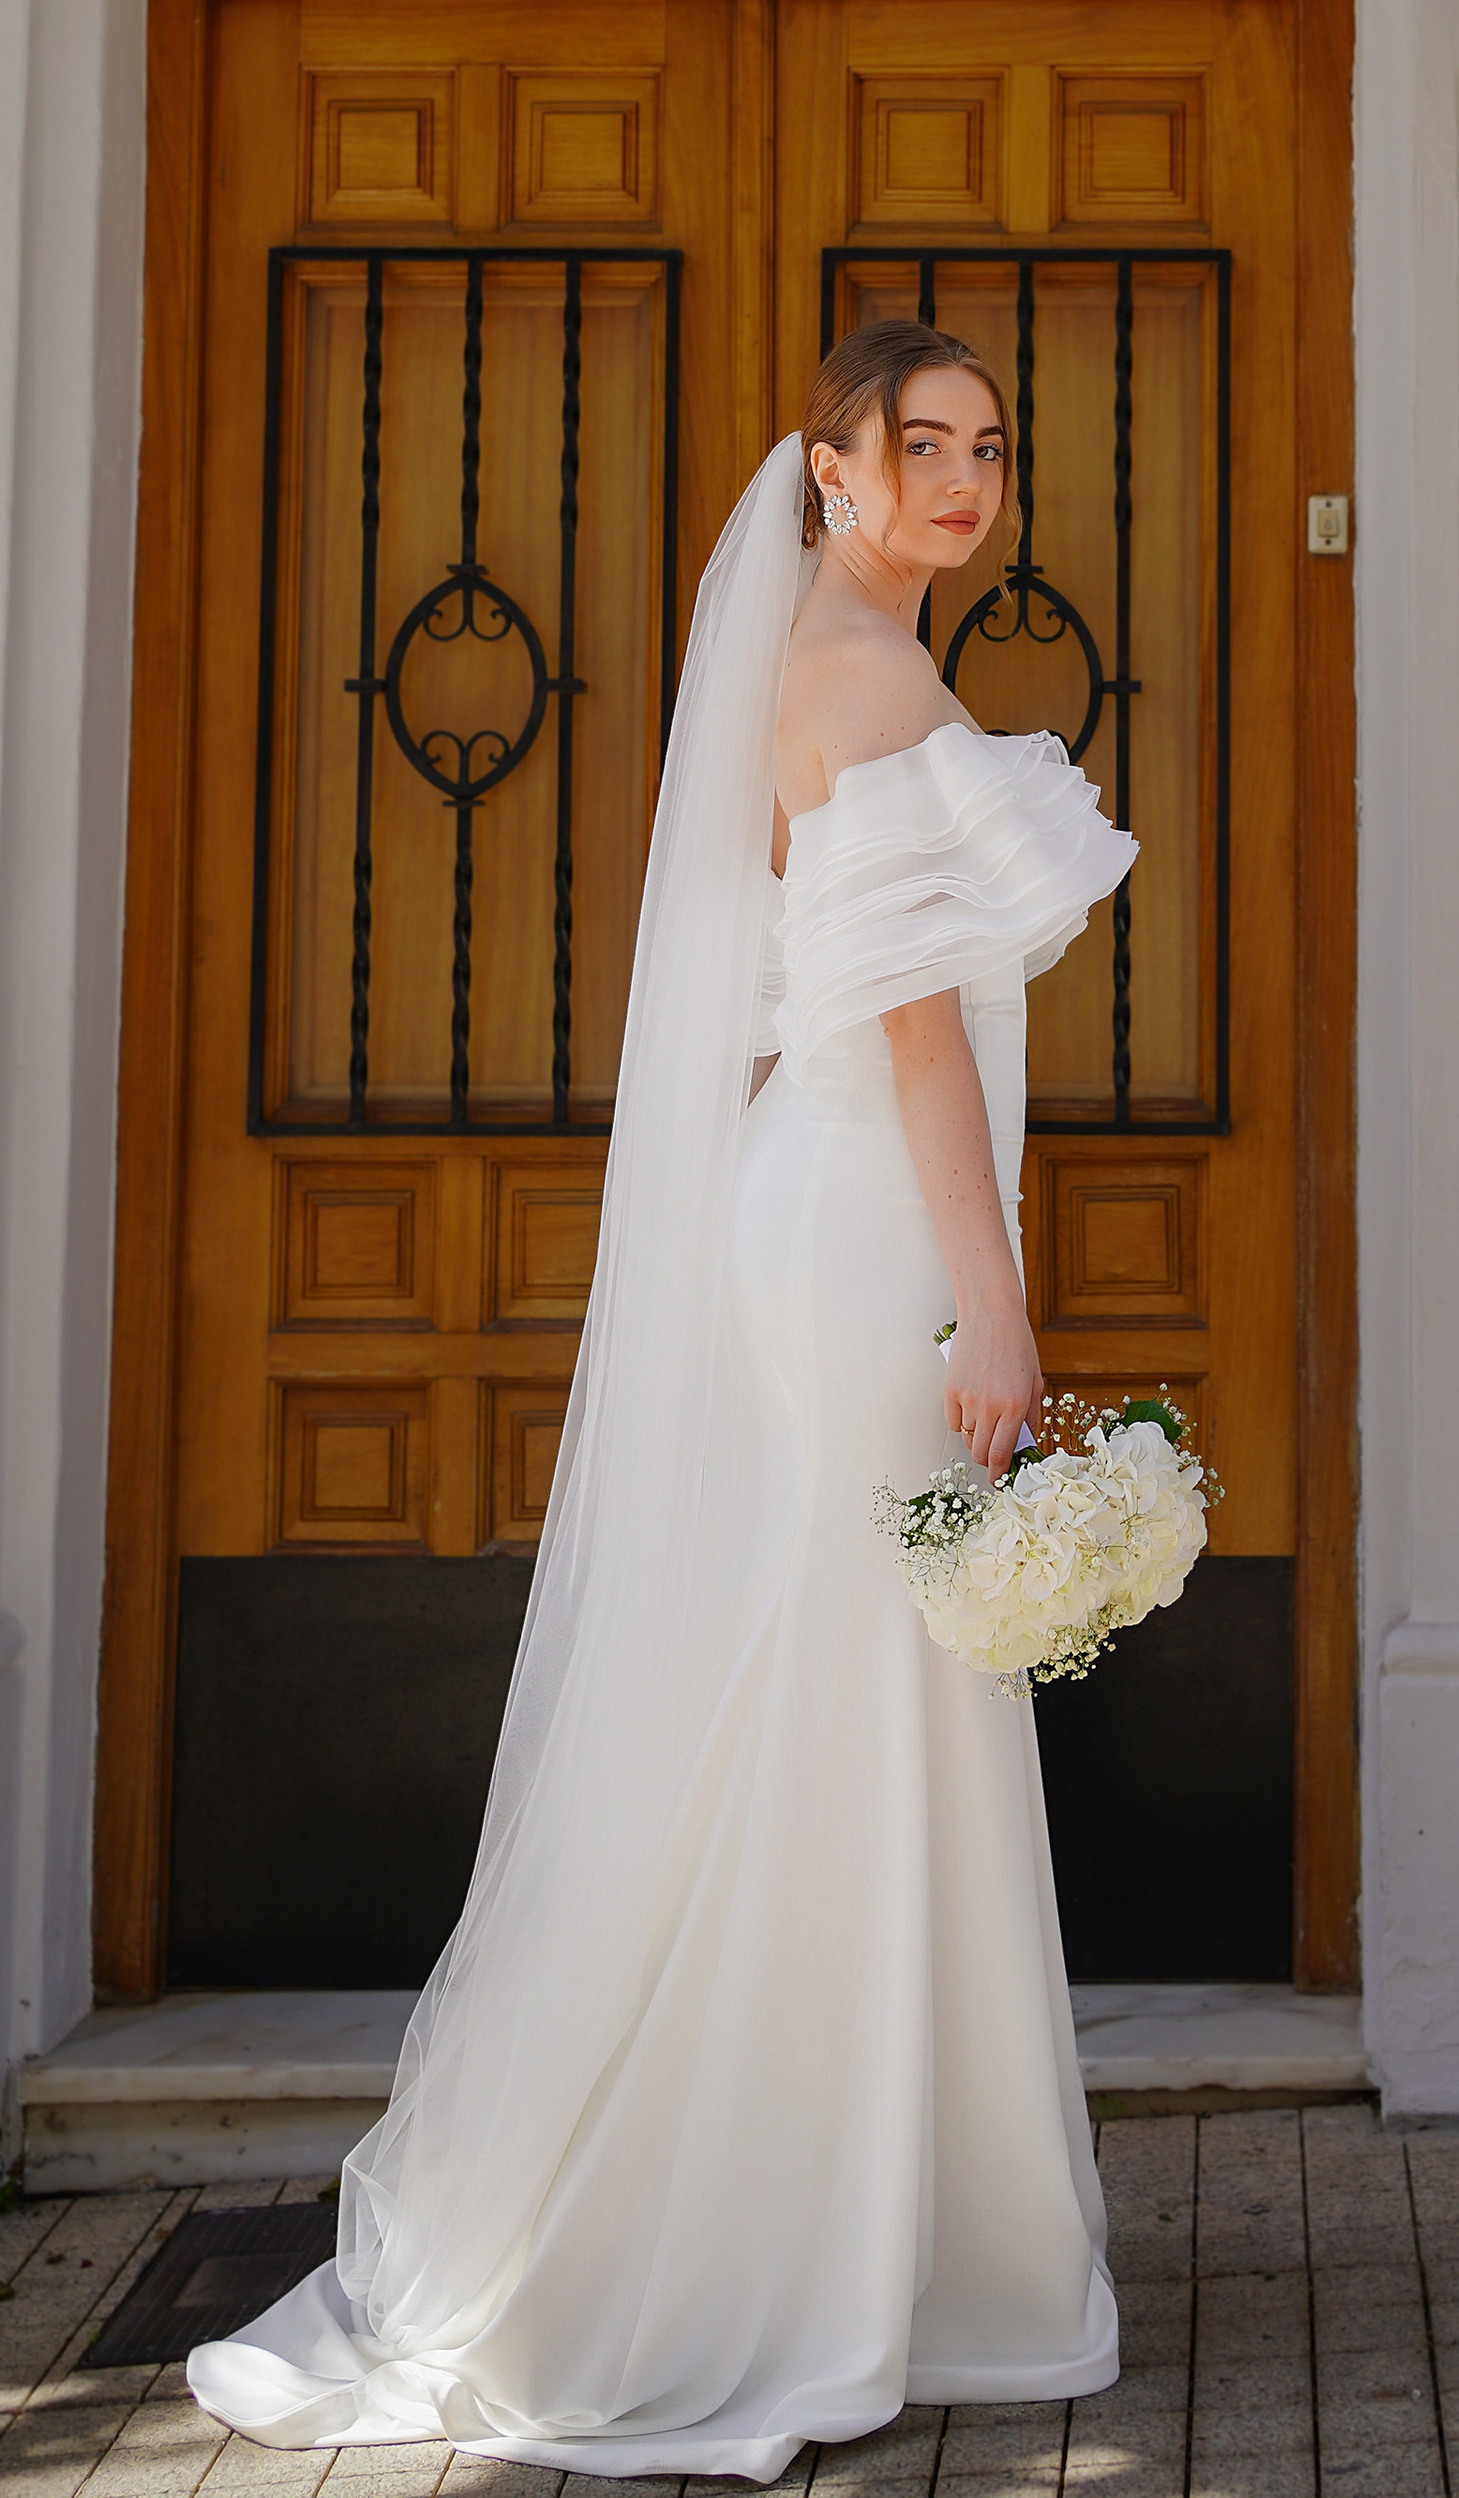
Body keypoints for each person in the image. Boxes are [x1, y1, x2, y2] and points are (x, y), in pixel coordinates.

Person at [188, 322, 1136, 2476]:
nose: (968, 478)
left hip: (839, 1210)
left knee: (851, 1697)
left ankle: (865, 2230)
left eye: (989, 444)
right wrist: (994, 1307)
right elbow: (902, 1027)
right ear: (831, 466)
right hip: (875, 1227)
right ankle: (754, 2248)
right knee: (836, 1700)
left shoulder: (829, 660)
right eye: (925, 446)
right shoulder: (862, 675)